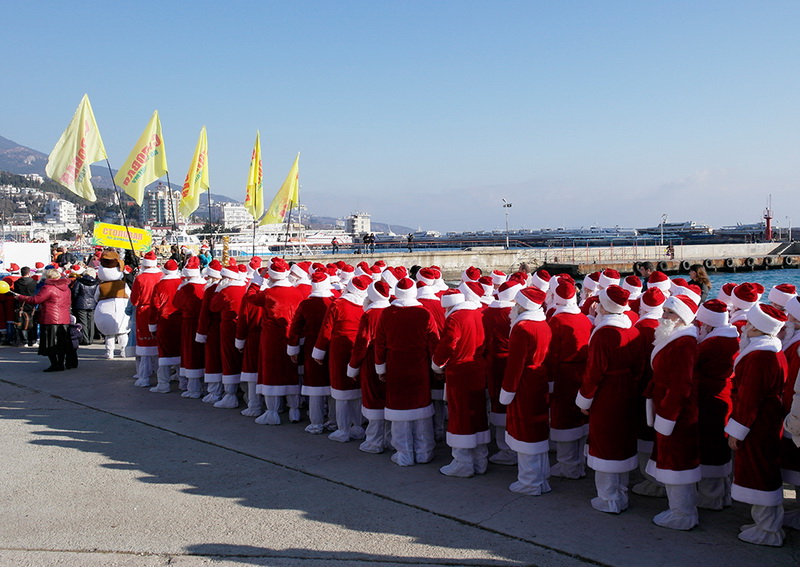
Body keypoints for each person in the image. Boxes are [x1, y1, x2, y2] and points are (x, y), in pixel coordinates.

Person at [725, 303, 788, 546]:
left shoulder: (759, 357)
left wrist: (737, 431)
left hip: (759, 423)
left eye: (749, 323)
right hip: (767, 419)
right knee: (765, 469)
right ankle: (766, 523)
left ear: (756, 327)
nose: (744, 327)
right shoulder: (772, 351)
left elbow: (749, 398)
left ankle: (768, 529)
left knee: (760, 471)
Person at [576, 285, 642, 514]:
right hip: (626, 389)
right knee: (622, 441)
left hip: (607, 392)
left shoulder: (604, 333)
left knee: (605, 442)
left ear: (606, 307)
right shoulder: (632, 329)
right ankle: (620, 492)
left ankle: (608, 497)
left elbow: (594, 371)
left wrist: (585, 399)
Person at [644, 294, 701, 531]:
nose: (663, 316)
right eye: (664, 311)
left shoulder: (683, 343)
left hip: (677, 413)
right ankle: (678, 509)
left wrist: (668, 416)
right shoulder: (674, 338)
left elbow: (681, 384)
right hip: (668, 408)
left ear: (682, 318)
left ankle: (683, 513)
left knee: (677, 462)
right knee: (670, 459)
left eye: (670, 313)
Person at [432, 280, 489, 478]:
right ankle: (481, 459)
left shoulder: (456, 318)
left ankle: (462, 462)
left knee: (460, 414)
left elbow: (448, 344)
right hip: (477, 368)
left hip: (460, 371)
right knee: (478, 413)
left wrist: (436, 363)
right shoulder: (479, 313)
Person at [500, 286, 552, 493]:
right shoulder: (543, 324)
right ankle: (541, 476)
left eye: (517, 303)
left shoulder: (522, 328)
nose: (514, 306)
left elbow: (515, 364)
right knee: (537, 430)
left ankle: (530, 481)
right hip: (539, 380)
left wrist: (507, 390)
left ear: (524, 305)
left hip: (524, 383)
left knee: (525, 431)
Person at [694, 298, 739, 510]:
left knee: (710, 445)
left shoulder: (713, 343)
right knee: (720, 446)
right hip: (724, 393)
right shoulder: (731, 337)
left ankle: (710, 497)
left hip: (710, 396)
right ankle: (723, 493)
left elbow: (694, 361)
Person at [12, 269, 74, 372]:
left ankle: (55, 364)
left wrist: (20, 297)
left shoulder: (48, 288)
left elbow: (35, 300)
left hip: (50, 318)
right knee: (62, 343)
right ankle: (61, 363)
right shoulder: (66, 288)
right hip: (64, 318)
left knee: (50, 343)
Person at [71, 267, 99, 346]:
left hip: (81, 304)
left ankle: (85, 339)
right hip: (92, 304)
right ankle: (90, 339)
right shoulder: (96, 283)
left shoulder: (79, 282)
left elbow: (75, 292)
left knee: (83, 322)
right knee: (91, 322)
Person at [13, 266, 38, 347]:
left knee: (22, 322)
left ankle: (24, 341)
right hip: (32, 304)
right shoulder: (34, 282)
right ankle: (33, 340)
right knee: (33, 322)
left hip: (21, 305)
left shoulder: (17, 283)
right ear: (29, 273)